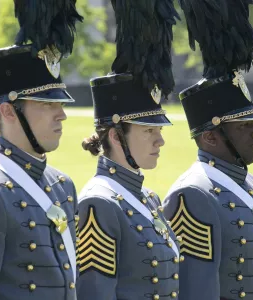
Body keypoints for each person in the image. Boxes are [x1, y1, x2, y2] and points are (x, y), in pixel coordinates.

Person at [0, 1, 83, 299]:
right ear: (8, 111)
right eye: (47, 104)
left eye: (60, 104)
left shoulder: (62, 185)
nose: (62, 115)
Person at [162, 0, 253, 299]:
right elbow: (196, 287)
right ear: (211, 138)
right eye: (243, 126)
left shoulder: (250, 184)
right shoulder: (193, 194)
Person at [75, 1, 180, 299]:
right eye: (149, 131)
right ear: (116, 136)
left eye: (159, 131)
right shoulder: (98, 203)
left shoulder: (148, 198)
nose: (159, 141)